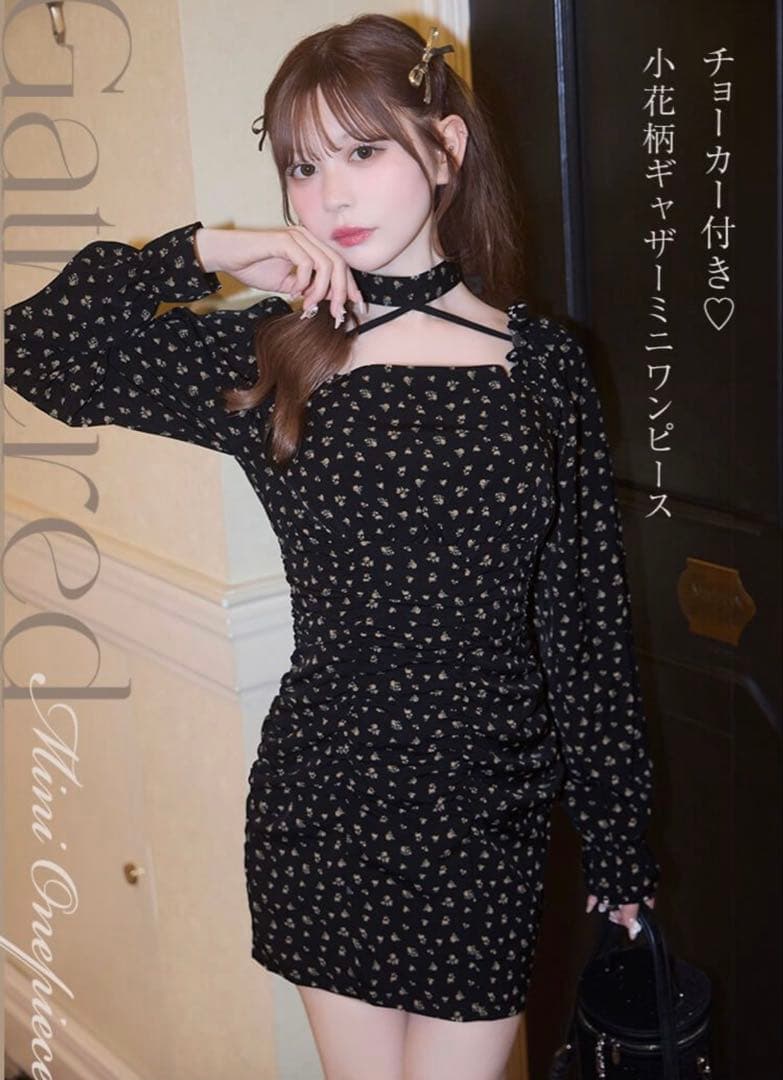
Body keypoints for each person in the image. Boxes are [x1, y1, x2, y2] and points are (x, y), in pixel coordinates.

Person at [3, 14, 659, 1080]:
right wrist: (210, 250)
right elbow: (37, 350)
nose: (329, 196)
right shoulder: (272, 356)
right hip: (327, 801)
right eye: (303, 168)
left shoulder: (543, 364)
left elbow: (583, 619)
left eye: (362, 152)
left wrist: (618, 836)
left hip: (485, 810)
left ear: (444, 150)